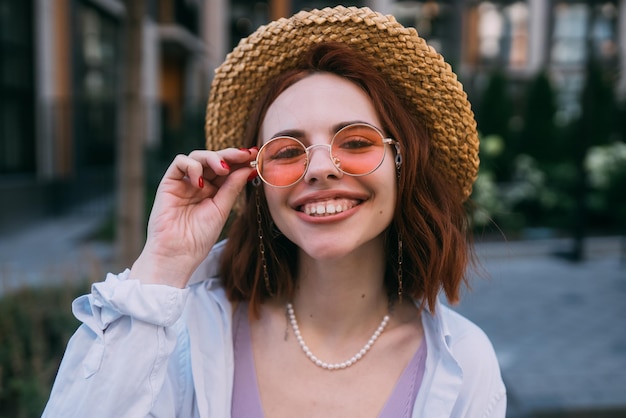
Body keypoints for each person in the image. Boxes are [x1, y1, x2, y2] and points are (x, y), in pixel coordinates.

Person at [43, 6, 506, 418]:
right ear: (255, 179)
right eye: (288, 150)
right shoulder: (185, 335)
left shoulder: (466, 365)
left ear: (402, 164)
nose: (321, 168)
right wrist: (162, 265)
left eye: (357, 142)